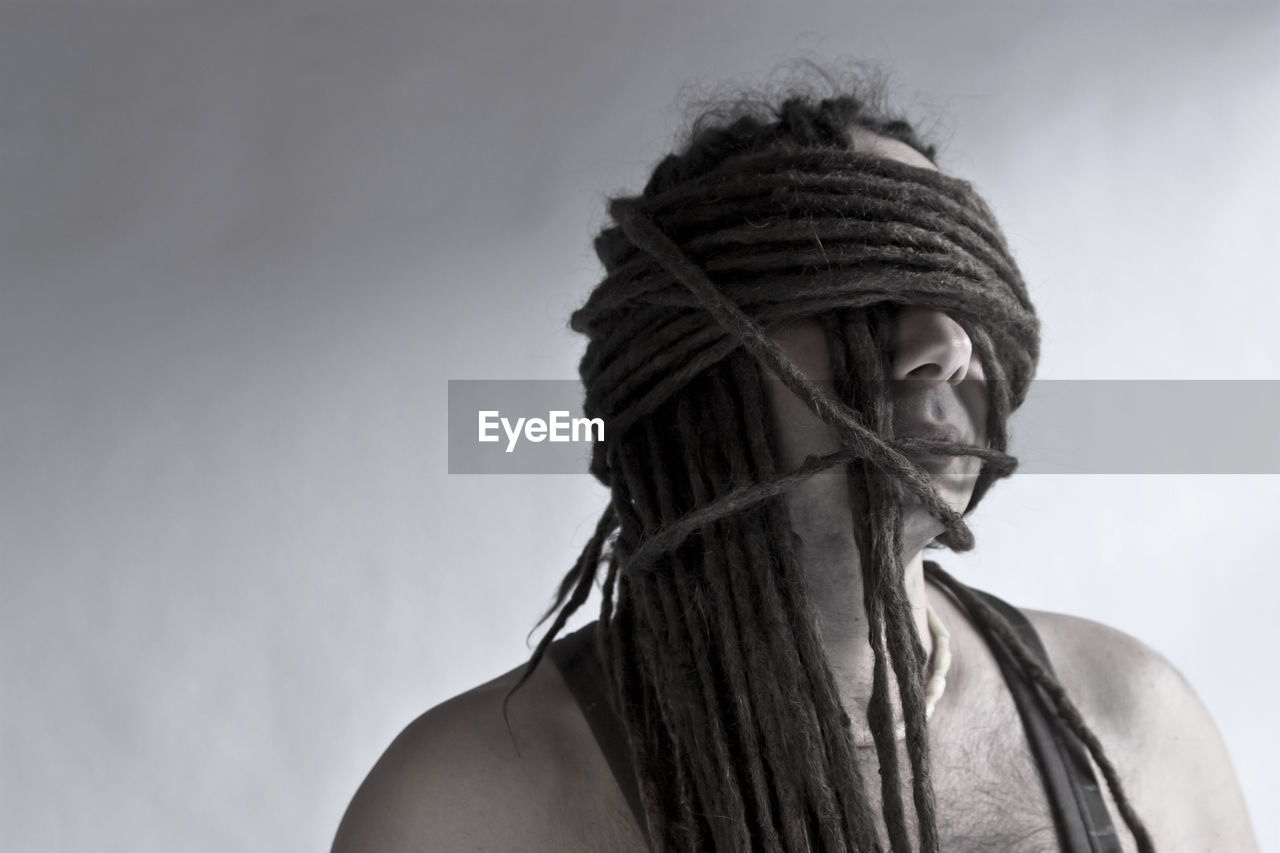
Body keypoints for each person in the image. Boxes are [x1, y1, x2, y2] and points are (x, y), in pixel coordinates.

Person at [331, 75, 1259, 853]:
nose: (943, 344)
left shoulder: (1132, 723)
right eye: (853, 292)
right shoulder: (462, 806)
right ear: (687, 364)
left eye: (956, 291)